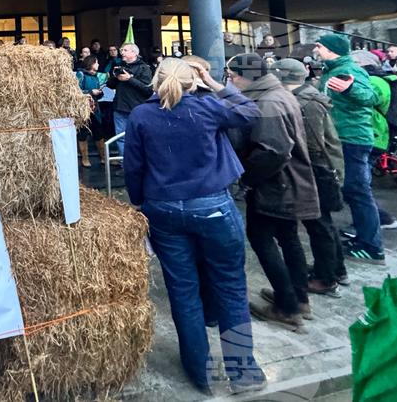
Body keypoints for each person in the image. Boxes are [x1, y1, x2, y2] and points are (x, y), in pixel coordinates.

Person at [124, 59, 266, 393]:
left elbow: (133, 166)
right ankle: (243, 373)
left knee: (182, 290)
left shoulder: (141, 115)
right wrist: (213, 83)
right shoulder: (207, 107)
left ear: (155, 82)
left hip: (162, 207)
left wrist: (138, 201)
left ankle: (200, 372)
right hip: (213, 205)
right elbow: (250, 111)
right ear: (193, 82)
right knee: (230, 287)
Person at [226, 53, 320, 330]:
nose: (230, 81)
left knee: (262, 238)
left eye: (232, 77)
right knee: (289, 238)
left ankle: (287, 307)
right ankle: (297, 298)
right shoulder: (277, 93)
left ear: (245, 76)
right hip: (290, 182)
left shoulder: (268, 101)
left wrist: (248, 179)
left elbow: (274, 151)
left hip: (276, 185)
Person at [270, 59, 347, 294]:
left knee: (319, 225)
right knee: (323, 224)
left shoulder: (306, 103)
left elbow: (313, 145)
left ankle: (326, 278)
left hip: (318, 170)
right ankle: (335, 269)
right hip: (321, 168)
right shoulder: (306, 96)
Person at [316, 34, 385, 264]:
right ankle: (365, 239)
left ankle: (372, 247)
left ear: (331, 49)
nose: (316, 50)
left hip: (352, 138)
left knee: (358, 191)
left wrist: (350, 88)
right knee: (354, 190)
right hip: (342, 137)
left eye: (319, 46)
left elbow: (370, 97)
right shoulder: (331, 70)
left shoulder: (349, 70)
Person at [350, 51, 397, 231]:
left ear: (361, 64)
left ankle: (376, 221)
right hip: (371, 135)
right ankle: (373, 220)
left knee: (358, 186)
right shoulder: (375, 80)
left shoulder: (374, 82)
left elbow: (361, 102)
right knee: (360, 184)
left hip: (372, 136)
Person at [106, 43, 154, 161]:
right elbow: (110, 86)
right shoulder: (119, 66)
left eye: (125, 50)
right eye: (122, 50)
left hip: (137, 109)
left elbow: (148, 90)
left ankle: (140, 163)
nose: (122, 52)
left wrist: (130, 79)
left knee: (139, 137)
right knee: (121, 138)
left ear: (134, 53)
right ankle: (124, 164)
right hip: (120, 108)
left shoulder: (144, 68)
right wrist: (114, 77)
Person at [76, 56, 108, 168]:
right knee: (83, 132)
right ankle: (85, 158)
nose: (98, 64)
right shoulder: (80, 75)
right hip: (84, 108)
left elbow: (97, 95)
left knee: (98, 131)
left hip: (94, 108)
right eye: (96, 62)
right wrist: (90, 92)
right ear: (91, 64)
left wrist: (99, 93)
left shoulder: (95, 76)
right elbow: (76, 91)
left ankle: (103, 157)